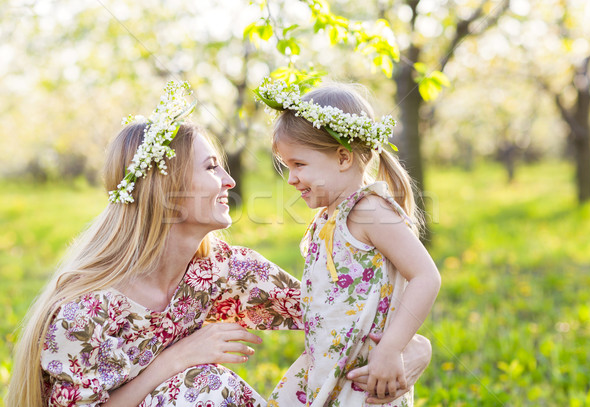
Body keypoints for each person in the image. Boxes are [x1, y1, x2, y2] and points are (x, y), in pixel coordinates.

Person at [6, 81, 432, 407]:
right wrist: (177, 359)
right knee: (201, 384)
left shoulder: (221, 272)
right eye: (212, 167)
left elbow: (335, 310)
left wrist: (412, 349)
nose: (229, 181)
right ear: (166, 186)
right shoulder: (85, 310)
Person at [255, 79, 442, 406]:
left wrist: (392, 348)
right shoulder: (329, 217)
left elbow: (426, 276)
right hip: (328, 367)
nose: (292, 178)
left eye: (299, 164)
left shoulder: (369, 210)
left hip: (367, 372)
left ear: (343, 158)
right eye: (288, 166)